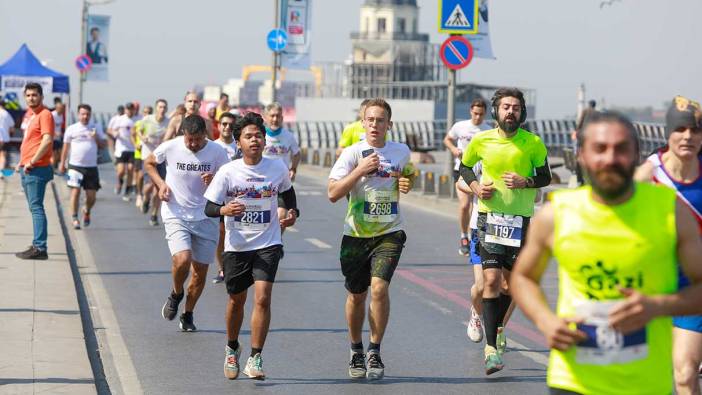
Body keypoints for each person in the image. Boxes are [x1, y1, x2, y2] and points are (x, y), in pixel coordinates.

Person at [511, 111, 702, 395]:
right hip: (573, 381)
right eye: (600, 149)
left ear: (637, 155)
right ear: (581, 156)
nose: (610, 158)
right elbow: (523, 278)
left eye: (621, 149)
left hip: (645, 385)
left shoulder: (671, 211)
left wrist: (657, 306)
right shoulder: (557, 213)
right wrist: (545, 321)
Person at [459, 87, 551, 374]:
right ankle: (490, 350)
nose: (510, 111)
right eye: (506, 107)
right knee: (490, 281)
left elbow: (546, 176)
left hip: (519, 222)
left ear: (522, 113)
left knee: (511, 287)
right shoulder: (481, 140)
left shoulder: (533, 143)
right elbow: (464, 169)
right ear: (496, 111)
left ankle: (497, 328)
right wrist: (476, 187)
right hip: (489, 219)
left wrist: (526, 182)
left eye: (516, 107)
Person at [204, 112, 299, 380]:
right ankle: (232, 347)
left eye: (258, 135)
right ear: (239, 143)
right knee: (236, 300)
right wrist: (225, 208)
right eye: (248, 136)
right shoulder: (228, 172)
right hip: (237, 246)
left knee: (263, 297)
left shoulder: (277, 167)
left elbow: (288, 193)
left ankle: (255, 357)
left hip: (268, 243)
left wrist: (292, 213)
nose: (254, 140)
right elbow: (209, 207)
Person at [328, 98, 415, 380]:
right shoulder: (352, 154)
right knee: (357, 295)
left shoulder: (400, 151)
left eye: (381, 120)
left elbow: (408, 175)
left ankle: (375, 350)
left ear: (389, 124)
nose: (375, 125)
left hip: (389, 232)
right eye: (371, 120)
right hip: (355, 235)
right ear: (362, 123)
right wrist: (359, 171)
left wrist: (407, 182)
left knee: (378, 289)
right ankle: (356, 350)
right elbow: (332, 194)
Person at [634, 96, 702, 395]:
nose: (688, 136)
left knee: (686, 373)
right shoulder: (648, 176)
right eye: (681, 129)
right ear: (668, 133)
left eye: (696, 131)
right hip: (655, 283)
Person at [144, 115, 229, 332]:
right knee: (182, 259)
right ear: (183, 134)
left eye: (198, 140)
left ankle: (188, 313)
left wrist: (216, 180)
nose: (193, 144)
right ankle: (176, 293)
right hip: (176, 212)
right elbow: (149, 163)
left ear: (205, 136)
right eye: (190, 140)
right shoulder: (170, 147)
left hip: (206, 216)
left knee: (200, 272)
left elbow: (230, 178)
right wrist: (161, 183)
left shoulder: (217, 152)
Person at [444, 98, 491, 256]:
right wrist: (453, 150)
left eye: (481, 114)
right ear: (471, 111)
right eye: (476, 113)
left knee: (476, 206)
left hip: (479, 172)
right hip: (462, 169)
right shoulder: (460, 126)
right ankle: (464, 236)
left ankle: (474, 237)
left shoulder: (487, 130)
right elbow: (447, 139)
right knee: (465, 205)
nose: (478, 117)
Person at [15, 83, 55, 260]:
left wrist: (31, 161)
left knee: (37, 208)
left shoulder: (44, 115)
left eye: (35, 95)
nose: (31, 98)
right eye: (28, 95)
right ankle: (37, 244)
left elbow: (47, 141)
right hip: (28, 166)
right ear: (25, 97)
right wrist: (21, 162)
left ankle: (40, 247)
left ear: (41, 97)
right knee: (34, 207)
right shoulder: (32, 115)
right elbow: (31, 142)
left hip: (36, 169)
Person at [59, 104, 107, 229]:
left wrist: (95, 137)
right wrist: (62, 163)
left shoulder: (96, 127)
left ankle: (86, 210)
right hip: (75, 166)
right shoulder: (72, 129)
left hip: (91, 167)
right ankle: (74, 217)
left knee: (91, 196)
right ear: (79, 114)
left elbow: (103, 145)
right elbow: (65, 147)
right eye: (83, 114)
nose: (85, 116)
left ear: (90, 115)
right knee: (75, 191)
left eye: (87, 114)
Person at [211, 112, 241, 284]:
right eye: (224, 124)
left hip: (240, 197)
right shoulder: (212, 147)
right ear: (219, 126)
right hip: (220, 197)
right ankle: (223, 269)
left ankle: (240, 267)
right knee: (221, 233)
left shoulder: (240, 146)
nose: (227, 127)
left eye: (230, 124)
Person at [263, 102, 301, 234]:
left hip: (281, 183)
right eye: (272, 116)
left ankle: (275, 243)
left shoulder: (288, 136)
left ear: (282, 118)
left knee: (281, 216)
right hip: (263, 183)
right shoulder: (260, 136)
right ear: (265, 117)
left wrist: (293, 169)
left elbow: (296, 153)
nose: (275, 119)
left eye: (278, 116)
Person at [136, 99, 169, 226]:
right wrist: (142, 137)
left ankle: (154, 214)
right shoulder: (148, 119)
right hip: (148, 157)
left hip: (161, 158)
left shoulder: (168, 122)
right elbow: (138, 130)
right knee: (149, 186)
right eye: (160, 107)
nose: (162, 109)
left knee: (159, 188)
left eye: (164, 107)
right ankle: (145, 199)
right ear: (156, 108)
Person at [109, 102, 136, 201]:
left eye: (131, 109)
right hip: (121, 148)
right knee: (121, 171)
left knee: (130, 169)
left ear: (133, 110)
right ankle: (119, 182)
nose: (129, 111)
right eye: (128, 109)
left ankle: (127, 192)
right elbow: (109, 129)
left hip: (132, 149)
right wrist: (114, 132)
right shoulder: (119, 119)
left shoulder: (137, 119)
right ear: (125, 110)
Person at [132, 105, 153, 210]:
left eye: (149, 112)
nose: (147, 114)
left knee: (150, 179)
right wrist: (135, 144)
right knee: (140, 176)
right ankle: (139, 194)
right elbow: (132, 135)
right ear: (142, 113)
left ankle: (146, 196)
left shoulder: (153, 125)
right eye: (145, 112)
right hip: (139, 153)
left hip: (150, 154)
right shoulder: (138, 123)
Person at [0, 98, 15, 179]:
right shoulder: (6, 114)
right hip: (4, 138)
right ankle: (1, 173)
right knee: (3, 155)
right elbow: (12, 127)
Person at [51, 98, 66, 170]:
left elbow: (61, 126)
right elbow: (48, 127)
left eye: (62, 108)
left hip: (58, 138)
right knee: (54, 155)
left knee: (59, 154)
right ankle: (52, 169)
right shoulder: (52, 115)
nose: (62, 110)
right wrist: (54, 133)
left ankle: (55, 167)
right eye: (60, 108)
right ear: (56, 108)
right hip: (52, 138)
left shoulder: (61, 116)